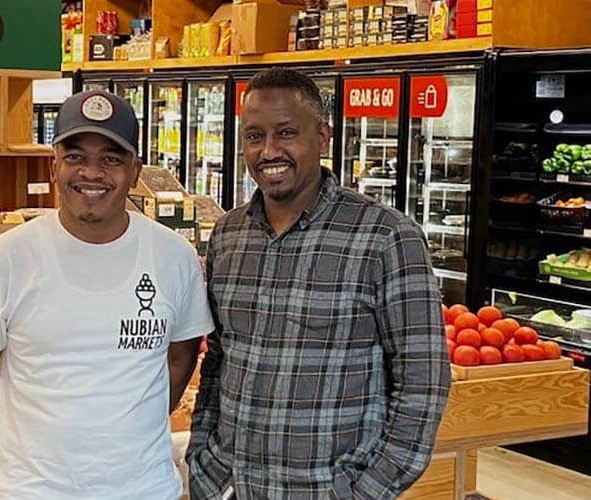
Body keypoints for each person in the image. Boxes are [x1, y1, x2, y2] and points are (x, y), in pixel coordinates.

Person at [186, 68, 450, 499]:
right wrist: (204, 461)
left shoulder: (386, 237)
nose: (269, 150)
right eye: (254, 136)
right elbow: (218, 359)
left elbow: (423, 381)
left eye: (286, 133)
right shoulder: (229, 234)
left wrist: (363, 491)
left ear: (323, 137)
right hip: (233, 486)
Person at [0, 90, 214, 499]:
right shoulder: (5, 257)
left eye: (111, 158)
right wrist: (26, 444)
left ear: (134, 170)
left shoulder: (174, 256)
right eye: (76, 156)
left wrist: (136, 425)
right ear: (54, 165)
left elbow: (182, 354)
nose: (92, 173)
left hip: (143, 489)